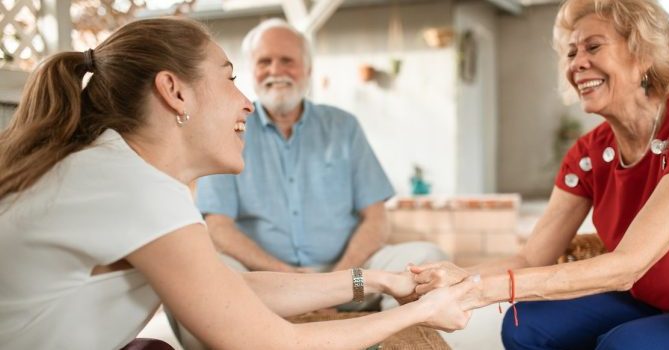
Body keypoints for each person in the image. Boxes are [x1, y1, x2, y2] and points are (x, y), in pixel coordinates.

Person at [0, 17, 478, 350]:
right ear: (174, 90)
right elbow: (275, 341)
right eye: (230, 79)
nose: (246, 102)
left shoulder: (116, 168)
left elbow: (230, 289)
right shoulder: (135, 188)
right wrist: (419, 310)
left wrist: (375, 279)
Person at [408, 0, 669, 349]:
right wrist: (459, 277)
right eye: (570, 53)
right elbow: (531, 259)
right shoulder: (588, 152)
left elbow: (629, 264)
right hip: (646, 296)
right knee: (526, 327)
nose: (577, 63)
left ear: (642, 55)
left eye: (593, 47)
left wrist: (482, 291)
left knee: (623, 345)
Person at [195, 19, 446, 299]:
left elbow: (376, 218)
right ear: (252, 70)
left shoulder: (344, 126)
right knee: (206, 275)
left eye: (287, 61)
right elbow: (218, 226)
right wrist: (285, 275)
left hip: (353, 282)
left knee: (426, 258)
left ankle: (395, 338)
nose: (275, 71)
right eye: (264, 61)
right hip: (267, 284)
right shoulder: (230, 130)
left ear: (308, 69)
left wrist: (341, 277)